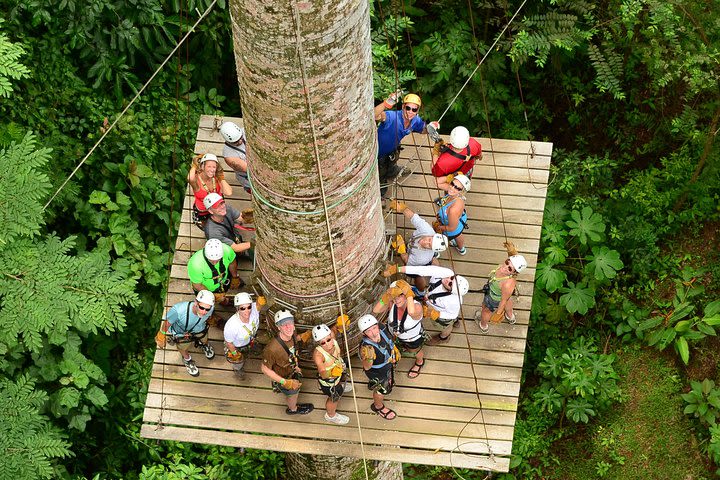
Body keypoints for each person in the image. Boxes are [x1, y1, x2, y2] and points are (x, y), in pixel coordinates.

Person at [383, 264, 468, 345]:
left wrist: (435, 313)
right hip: (431, 300)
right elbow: (422, 270)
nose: (448, 280)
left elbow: (452, 314)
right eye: (453, 278)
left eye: (450, 284)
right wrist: (397, 269)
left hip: (442, 312)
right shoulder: (447, 273)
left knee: (446, 325)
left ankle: (444, 337)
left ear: (451, 291)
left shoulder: (454, 301)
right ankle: (455, 322)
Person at [374, 92, 438, 197]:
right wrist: (386, 103)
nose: (410, 112)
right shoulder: (392, 116)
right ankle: (381, 193)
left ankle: (391, 170)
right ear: (403, 107)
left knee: (391, 160)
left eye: (414, 109)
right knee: (380, 173)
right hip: (378, 152)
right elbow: (375, 115)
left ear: (417, 111)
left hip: (392, 149)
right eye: (408, 108)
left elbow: (422, 129)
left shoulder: (415, 120)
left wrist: (430, 128)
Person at [261, 310, 315, 415]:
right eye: (283, 324)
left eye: (290, 322)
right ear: (278, 327)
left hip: (291, 368)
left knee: (293, 388)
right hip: (284, 376)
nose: (288, 327)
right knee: (292, 394)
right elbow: (265, 368)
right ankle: (292, 409)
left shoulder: (292, 333)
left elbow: (293, 339)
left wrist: (302, 336)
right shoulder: (272, 349)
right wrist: (284, 382)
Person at [387, 199, 448, 291]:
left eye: (429, 245)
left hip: (417, 262)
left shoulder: (421, 258)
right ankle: (436, 270)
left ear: (430, 249)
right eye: (429, 239)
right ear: (432, 235)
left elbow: (407, 262)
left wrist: (401, 249)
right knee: (432, 259)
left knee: (418, 276)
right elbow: (412, 216)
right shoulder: (427, 230)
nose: (425, 242)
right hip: (424, 254)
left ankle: (421, 291)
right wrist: (402, 208)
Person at [154, 290, 216, 377]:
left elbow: (208, 315)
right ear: (195, 302)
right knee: (182, 346)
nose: (204, 312)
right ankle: (187, 359)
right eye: (201, 308)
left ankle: (204, 345)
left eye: (207, 309)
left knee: (204, 337)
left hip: (199, 327)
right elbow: (167, 323)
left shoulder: (211, 308)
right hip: (181, 332)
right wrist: (161, 335)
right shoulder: (178, 310)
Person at [373, 279, 425, 379]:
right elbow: (376, 310)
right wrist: (387, 296)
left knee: (414, 351)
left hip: (411, 338)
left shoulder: (417, 307)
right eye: (394, 296)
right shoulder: (393, 303)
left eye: (400, 295)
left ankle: (420, 361)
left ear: (406, 294)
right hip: (394, 335)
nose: (396, 299)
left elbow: (411, 312)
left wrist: (409, 293)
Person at [311, 315, 352, 425]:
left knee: (339, 381)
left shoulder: (332, 335)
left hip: (337, 372)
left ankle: (340, 384)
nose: (328, 344)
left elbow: (335, 328)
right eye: (323, 342)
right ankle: (331, 415)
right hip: (329, 382)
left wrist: (340, 323)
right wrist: (333, 372)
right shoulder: (319, 355)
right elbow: (323, 373)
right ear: (319, 344)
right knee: (334, 397)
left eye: (328, 340)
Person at [477, 247, 527, 334]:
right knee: (508, 300)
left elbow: (503, 301)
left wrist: (498, 314)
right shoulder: (504, 269)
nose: (505, 267)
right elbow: (506, 299)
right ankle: (510, 316)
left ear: (514, 273)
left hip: (493, 298)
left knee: (486, 310)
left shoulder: (507, 284)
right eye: (507, 262)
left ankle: (483, 325)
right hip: (501, 294)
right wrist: (511, 251)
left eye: (510, 268)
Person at [358, 314, 400, 420]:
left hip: (387, 364)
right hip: (377, 371)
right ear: (364, 333)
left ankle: (375, 383)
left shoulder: (382, 328)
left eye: (374, 328)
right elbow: (367, 367)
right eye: (368, 331)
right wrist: (368, 358)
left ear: (377, 325)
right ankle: (378, 406)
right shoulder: (366, 348)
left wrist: (393, 349)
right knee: (381, 389)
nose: (373, 333)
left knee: (388, 378)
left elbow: (389, 339)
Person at [187, 238, 241, 306]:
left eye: (217, 260)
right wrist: (211, 296)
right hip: (205, 289)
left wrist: (234, 277)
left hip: (223, 282)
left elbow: (232, 262)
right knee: (205, 305)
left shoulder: (227, 250)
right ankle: (209, 315)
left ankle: (223, 301)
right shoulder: (195, 264)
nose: (215, 263)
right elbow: (197, 285)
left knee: (223, 294)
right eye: (211, 260)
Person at [223, 292, 264, 379]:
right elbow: (229, 343)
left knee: (252, 346)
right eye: (243, 308)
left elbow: (258, 306)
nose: (247, 311)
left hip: (250, 339)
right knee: (238, 361)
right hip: (237, 346)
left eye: (249, 307)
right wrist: (234, 353)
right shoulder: (231, 326)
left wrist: (261, 300)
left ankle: (251, 347)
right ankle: (237, 369)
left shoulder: (253, 310)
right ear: (237, 309)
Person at [188, 153, 233, 228]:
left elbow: (228, 192)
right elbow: (190, 178)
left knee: (221, 222)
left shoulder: (216, 177)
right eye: (209, 166)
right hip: (203, 210)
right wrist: (195, 165)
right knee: (206, 226)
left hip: (217, 207)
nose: (212, 170)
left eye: (214, 167)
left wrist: (221, 178)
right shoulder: (197, 180)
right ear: (203, 166)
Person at [431, 126, 482, 192]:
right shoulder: (473, 143)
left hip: (454, 178)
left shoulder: (443, 162)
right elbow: (480, 156)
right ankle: (462, 189)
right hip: (467, 171)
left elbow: (434, 172)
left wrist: (436, 152)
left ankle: (454, 192)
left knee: (437, 182)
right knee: (464, 182)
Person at [434, 173, 471, 256]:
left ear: (462, 191)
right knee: (459, 235)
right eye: (452, 184)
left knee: (438, 238)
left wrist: (438, 227)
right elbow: (437, 182)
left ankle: (435, 252)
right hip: (460, 222)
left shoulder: (453, 210)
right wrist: (450, 176)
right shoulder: (454, 193)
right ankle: (461, 249)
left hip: (451, 229)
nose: (452, 188)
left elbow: (451, 228)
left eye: (457, 188)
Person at [219, 122, 251, 194]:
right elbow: (249, 169)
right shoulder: (229, 156)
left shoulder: (246, 131)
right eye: (236, 142)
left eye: (240, 138)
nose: (240, 141)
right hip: (248, 179)